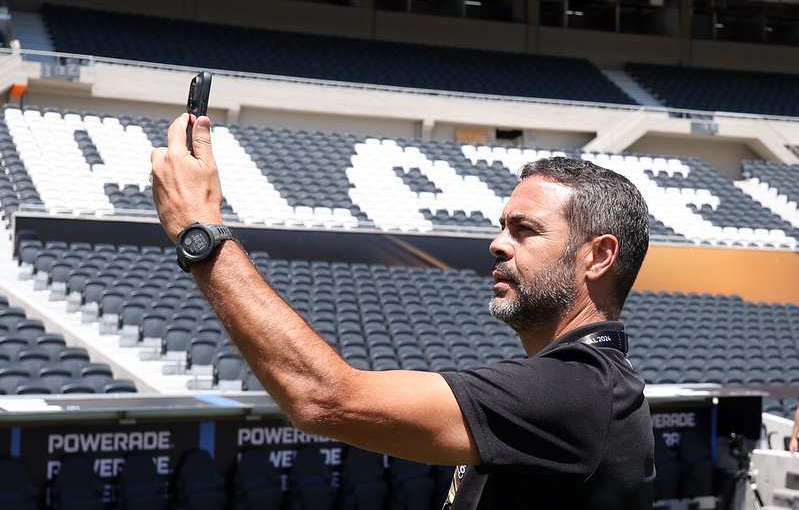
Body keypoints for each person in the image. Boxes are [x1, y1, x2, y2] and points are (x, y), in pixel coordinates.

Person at [151, 114, 655, 509]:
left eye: (525, 230)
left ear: (599, 256)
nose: (498, 244)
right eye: (503, 226)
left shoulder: (578, 389)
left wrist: (200, 230)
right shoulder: (578, 386)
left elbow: (323, 399)